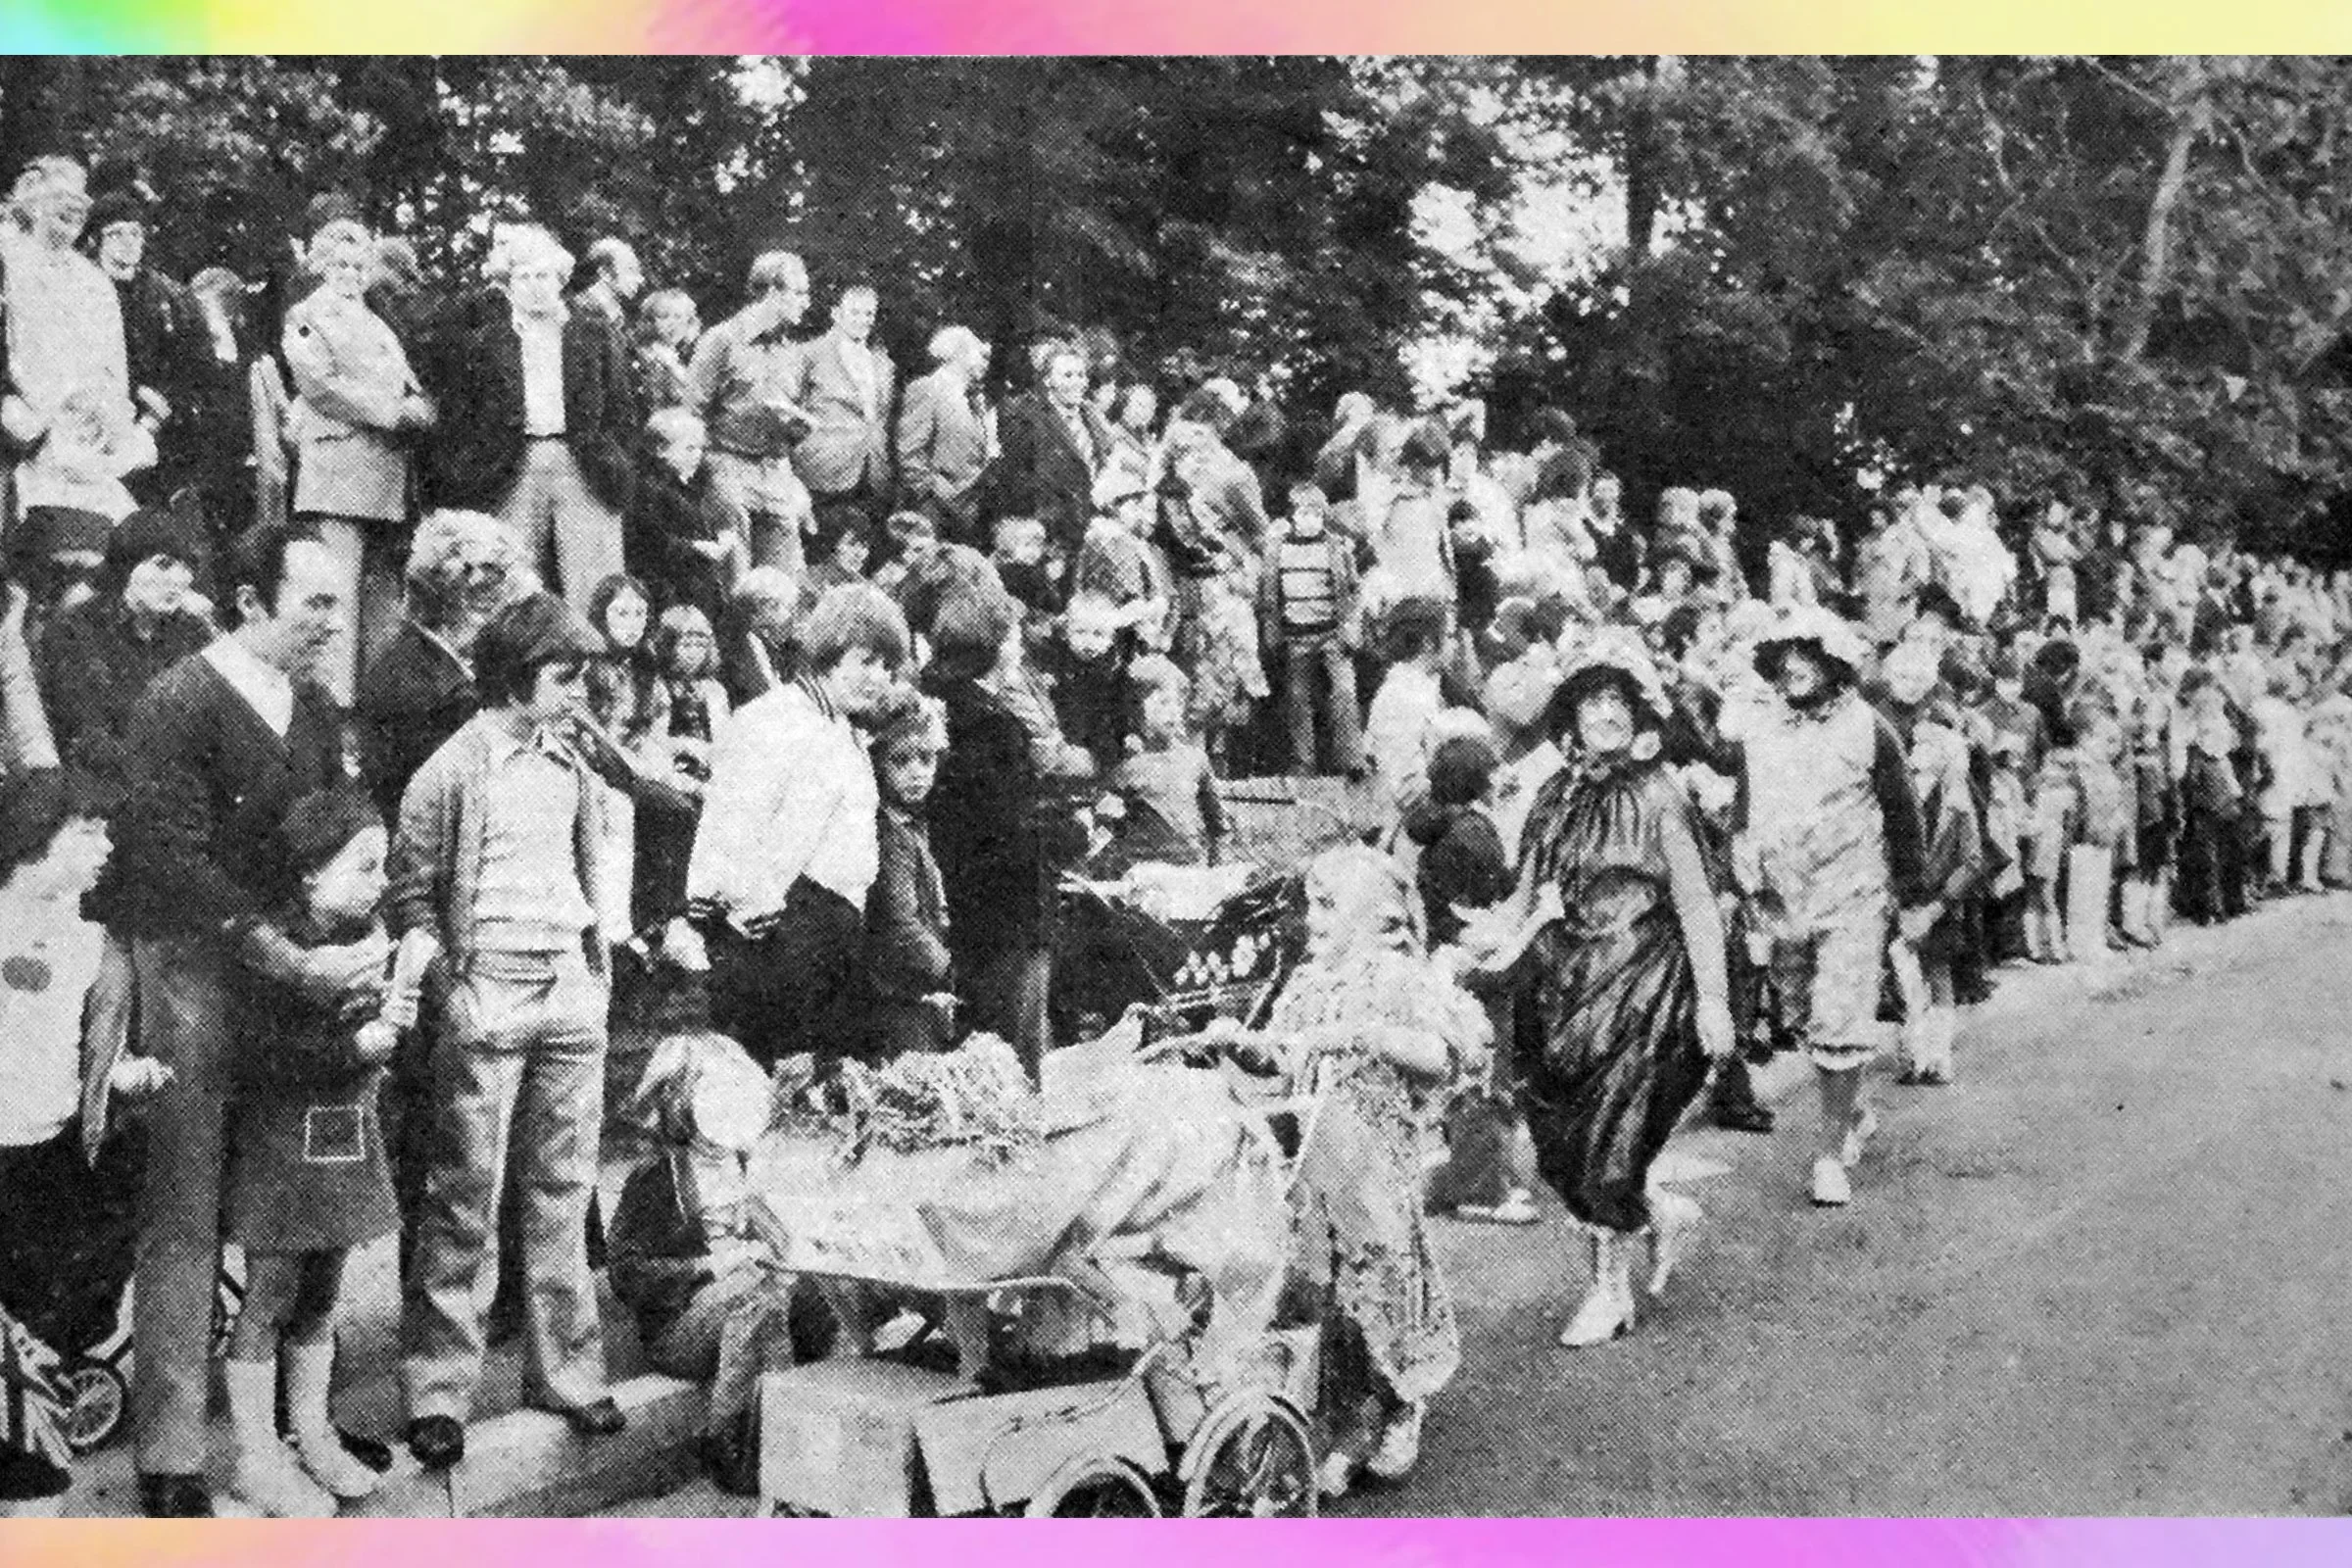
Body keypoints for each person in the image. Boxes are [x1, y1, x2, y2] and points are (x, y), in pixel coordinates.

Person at [91, 519, 361, 1517]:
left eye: (339, 602)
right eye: (315, 604)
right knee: (186, 1212)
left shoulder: (318, 710)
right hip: (191, 973)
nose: (335, 622)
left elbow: (333, 838)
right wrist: (282, 948)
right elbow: (169, 854)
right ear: (249, 603)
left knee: (298, 1205)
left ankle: (287, 1430)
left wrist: (353, 939)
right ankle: (169, 1455)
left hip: (284, 973)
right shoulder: (180, 700)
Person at [390, 592, 627, 1472]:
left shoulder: (567, 761)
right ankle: (439, 1393)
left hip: (567, 984)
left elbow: (590, 863)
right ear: (515, 677)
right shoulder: (449, 771)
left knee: (563, 1187)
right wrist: (454, 990)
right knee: (466, 1197)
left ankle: (566, 1374)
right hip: (488, 990)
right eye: (565, 679)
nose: (579, 695)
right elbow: (411, 894)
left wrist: (591, 969)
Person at [1461, 630, 1733, 1345]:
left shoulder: (1661, 795)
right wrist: (1486, 938)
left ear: (1640, 712)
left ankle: (1608, 1293)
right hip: (1561, 990)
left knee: (1610, 1139)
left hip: (1644, 989)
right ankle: (1654, 1213)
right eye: (1592, 701)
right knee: (1562, 1145)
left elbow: (1698, 902)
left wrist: (1714, 1000)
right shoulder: (1554, 793)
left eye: (1618, 700)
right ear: (1572, 715)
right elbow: (1525, 891)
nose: (1605, 714)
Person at [1258, 845, 1488, 1498]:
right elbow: (1282, 1057)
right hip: (1313, 1162)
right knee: (1321, 1288)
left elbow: (1440, 1056)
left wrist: (1367, 1034)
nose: (1314, 918)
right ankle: (1343, 1420)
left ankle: (1398, 1403)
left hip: (1374, 1161)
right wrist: (1249, 1047)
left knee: (1382, 1273)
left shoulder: (1394, 977)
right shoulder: (1305, 981)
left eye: (1328, 905)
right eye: (1310, 905)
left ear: (1371, 911)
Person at [220, 785, 413, 1516]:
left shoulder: (373, 938)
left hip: (345, 1137)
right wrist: (353, 1046)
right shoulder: (279, 953)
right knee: (269, 1295)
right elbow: (265, 1054)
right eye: (365, 867)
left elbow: (376, 1040)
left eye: (383, 866)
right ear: (308, 874)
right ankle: (255, 1457)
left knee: (324, 1293)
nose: (382, 882)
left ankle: (310, 1431)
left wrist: (391, 1030)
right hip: (282, 1146)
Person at [1732, 605, 1925, 1210]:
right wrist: (1741, 869)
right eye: (1784, 656)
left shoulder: (1869, 726)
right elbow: (1746, 806)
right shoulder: (1762, 729)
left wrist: (1914, 896)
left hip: (1854, 895)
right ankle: (1853, 1107)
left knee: (1841, 1016)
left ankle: (1828, 1154)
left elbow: (1903, 813)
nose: (1794, 667)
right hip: (1786, 898)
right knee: (1801, 1020)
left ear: (1832, 661)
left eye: (1807, 654)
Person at [688, 583, 908, 1070]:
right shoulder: (777, 719)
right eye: (866, 661)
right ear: (829, 652)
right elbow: (736, 830)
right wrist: (754, 923)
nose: (878, 678)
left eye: (887, 667)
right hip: (783, 930)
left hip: (831, 928)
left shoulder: (838, 728)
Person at [608, 1032, 810, 1496]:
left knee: (801, 1289)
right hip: (680, 1330)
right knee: (756, 1296)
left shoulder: (747, 1164)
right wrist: (711, 1266)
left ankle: (813, 1426)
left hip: (751, 1305)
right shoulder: (656, 1176)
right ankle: (730, 1438)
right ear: (683, 1102)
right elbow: (626, 1272)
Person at [421, 225, 636, 615]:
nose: (535, 287)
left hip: (583, 462)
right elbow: (462, 415)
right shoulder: (487, 342)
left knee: (597, 585)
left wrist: (613, 459)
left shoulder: (594, 333)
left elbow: (622, 410)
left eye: (544, 276)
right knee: (510, 581)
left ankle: (598, 670)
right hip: (512, 463)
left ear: (560, 279)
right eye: (524, 278)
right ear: (509, 284)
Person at [925, 585, 1087, 1076]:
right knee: (1020, 1054)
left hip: (966, 910)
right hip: (1009, 915)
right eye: (1014, 636)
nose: (1020, 646)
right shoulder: (993, 727)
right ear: (994, 647)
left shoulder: (944, 708)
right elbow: (1009, 832)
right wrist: (1074, 833)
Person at [283, 217, 435, 703]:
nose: (349, 274)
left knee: (380, 599)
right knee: (337, 590)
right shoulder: (306, 315)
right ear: (322, 266)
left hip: (386, 475)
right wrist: (392, 412)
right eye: (340, 264)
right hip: (338, 472)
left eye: (358, 265)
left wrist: (421, 406)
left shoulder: (377, 323)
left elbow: (409, 383)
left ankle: (376, 706)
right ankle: (332, 703)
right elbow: (320, 386)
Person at [34, 506, 212, 817]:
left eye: (187, 568)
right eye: (163, 565)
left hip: (181, 792)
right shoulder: (76, 630)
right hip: (106, 795)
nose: (178, 580)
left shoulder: (193, 633)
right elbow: (85, 737)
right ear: (127, 563)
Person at [355, 510, 521, 825]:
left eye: (499, 579)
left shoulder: (456, 664)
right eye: (476, 579)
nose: (498, 600)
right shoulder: (411, 680)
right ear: (440, 589)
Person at [686, 250, 816, 574]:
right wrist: (708, 471)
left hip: (774, 471)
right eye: (799, 293)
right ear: (772, 291)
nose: (807, 302)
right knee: (735, 580)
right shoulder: (722, 340)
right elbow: (690, 413)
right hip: (726, 466)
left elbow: (790, 426)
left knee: (787, 582)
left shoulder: (793, 354)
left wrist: (798, 428)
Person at [861, 693, 956, 1060]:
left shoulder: (916, 824)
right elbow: (901, 922)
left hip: (918, 982)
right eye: (900, 761)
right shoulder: (890, 834)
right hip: (897, 987)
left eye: (926, 759)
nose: (917, 771)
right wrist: (948, 968)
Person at [1260, 481, 1364, 777]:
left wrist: (1349, 627)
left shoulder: (1335, 547)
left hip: (1332, 632)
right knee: (1297, 698)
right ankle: (1303, 761)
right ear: (1292, 516)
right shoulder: (1277, 550)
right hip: (1297, 635)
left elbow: (1355, 590)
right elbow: (1269, 594)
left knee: (1344, 691)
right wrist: (1273, 630)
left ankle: (1352, 758)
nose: (1311, 521)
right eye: (1304, 514)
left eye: (1317, 514)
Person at [786, 281, 894, 551]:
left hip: (872, 470)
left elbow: (881, 417)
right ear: (836, 313)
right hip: (821, 469)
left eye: (869, 314)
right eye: (855, 312)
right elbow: (787, 410)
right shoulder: (808, 355)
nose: (863, 320)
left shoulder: (882, 362)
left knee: (863, 552)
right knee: (819, 547)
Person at [995, 341, 1113, 572]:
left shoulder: (1093, 419)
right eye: (1067, 375)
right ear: (1048, 380)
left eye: (1081, 375)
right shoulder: (1030, 420)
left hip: (1091, 535)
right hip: (1052, 539)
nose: (1076, 382)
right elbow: (1022, 481)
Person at [1106, 656, 1223, 866]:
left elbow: (1217, 824)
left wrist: (1215, 870)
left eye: (1178, 703)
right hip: (1145, 871)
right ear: (1137, 710)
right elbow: (1109, 827)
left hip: (1191, 869)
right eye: (1162, 703)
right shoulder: (1126, 768)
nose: (1173, 711)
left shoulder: (1196, 760)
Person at [893, 322, 994, 545]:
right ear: (959, 354)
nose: (986, 363)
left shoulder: (975, 398)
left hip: (969, 511)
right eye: (980, 354)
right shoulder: (927, 388)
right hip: (934, 511)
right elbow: (909, 453)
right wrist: (936, 493)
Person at [632, 287, 702, 415]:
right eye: (664, 317)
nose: (672, 324)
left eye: (678, 317)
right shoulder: (646, 359)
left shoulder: (680, 358)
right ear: (650, 321)